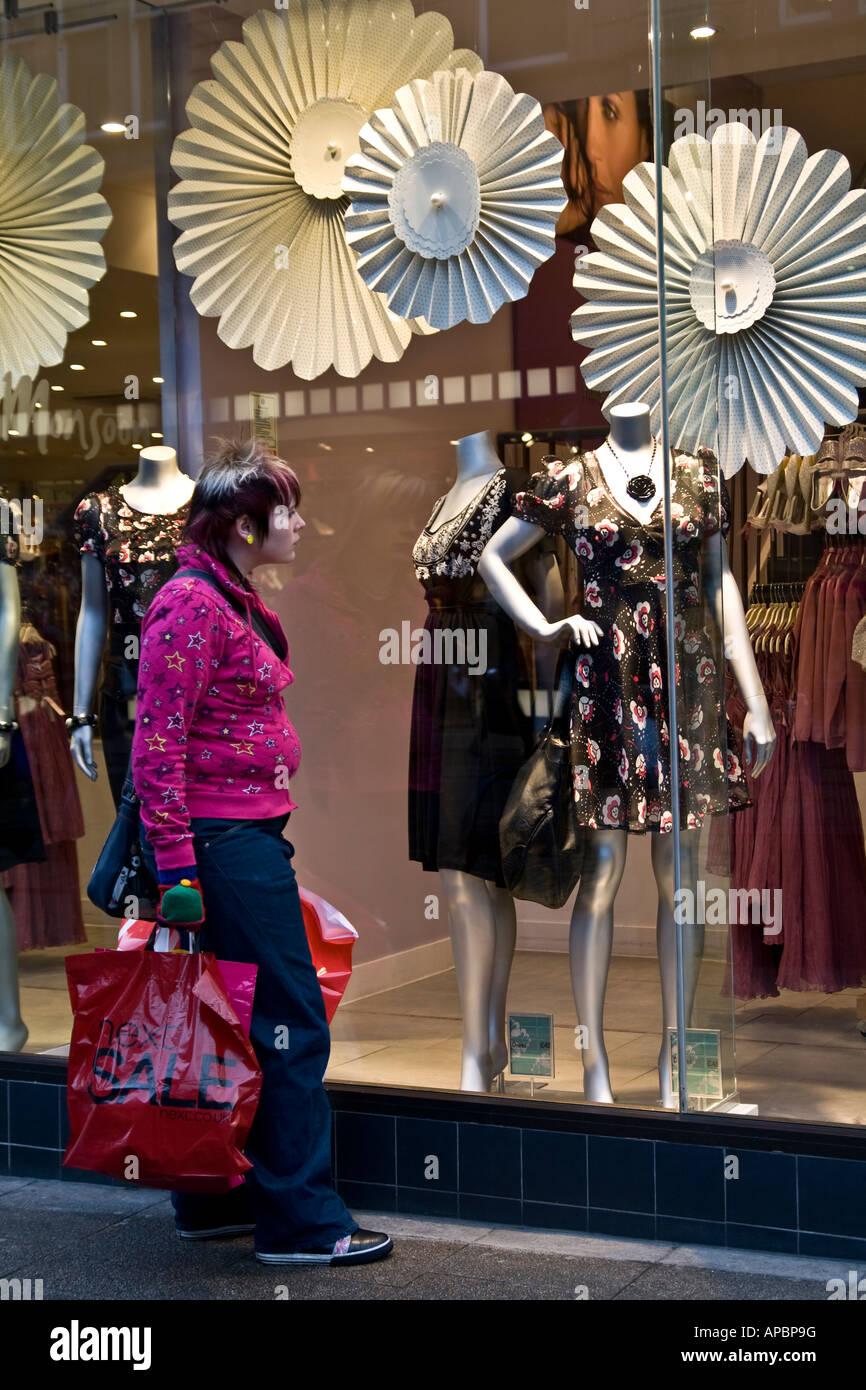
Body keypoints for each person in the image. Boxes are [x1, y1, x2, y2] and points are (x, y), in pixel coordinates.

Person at [132, 436, 392, 1267]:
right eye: (286, 511)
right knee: (290, 1018)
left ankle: (214, 1200)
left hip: (234, 837)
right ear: (245, 524)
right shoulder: (192, 604)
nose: (301, 525)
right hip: (219, 844)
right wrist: (177, 872)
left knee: (230, 1018)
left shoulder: (225, 594)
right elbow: (155, 746)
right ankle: (306, 1225)